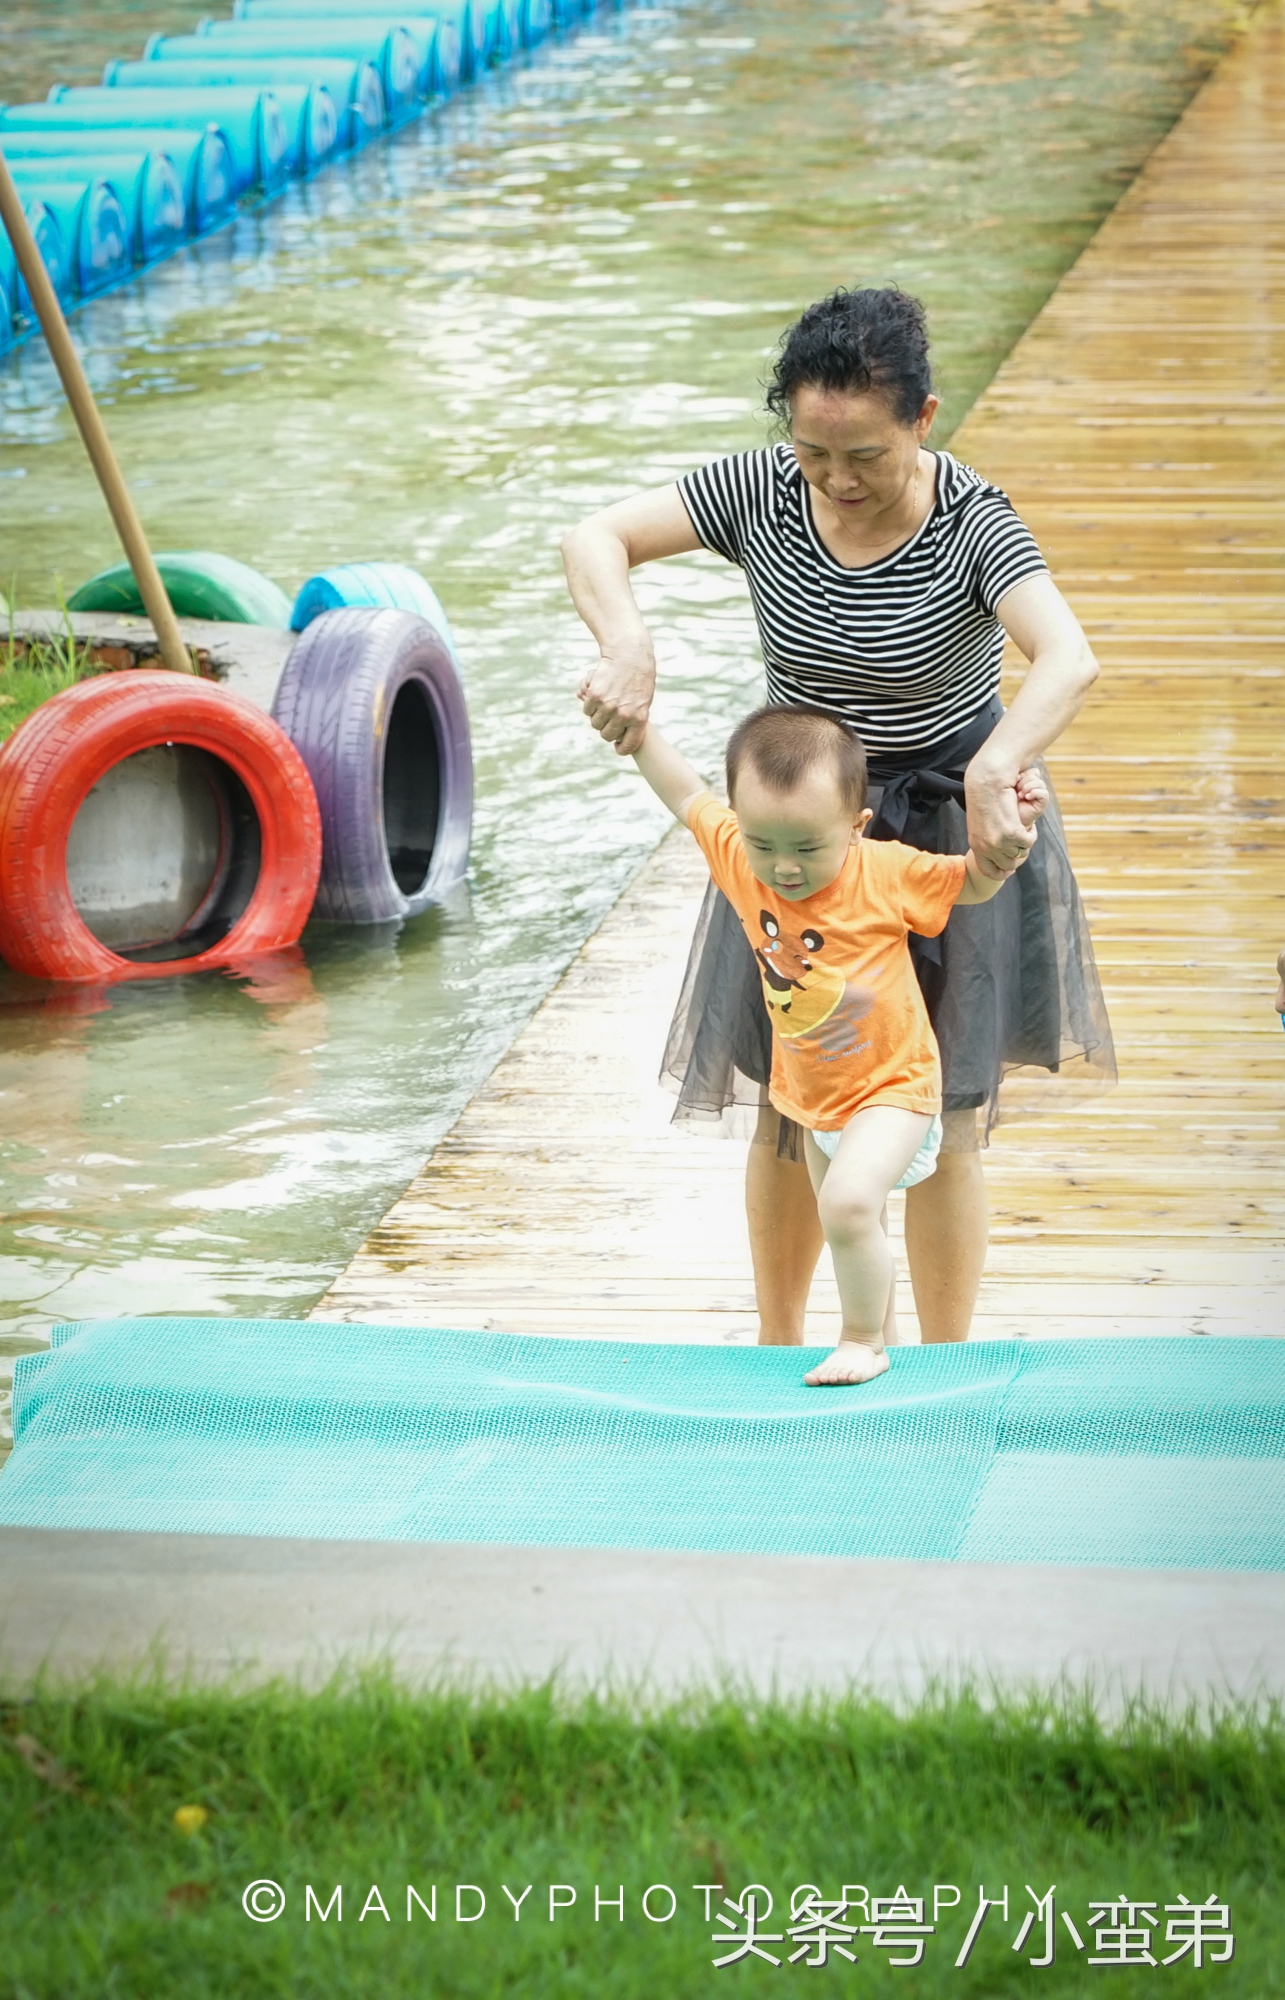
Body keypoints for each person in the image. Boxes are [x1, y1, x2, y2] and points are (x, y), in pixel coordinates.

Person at [563, 284, 1114, 1349]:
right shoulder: (763, 492)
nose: (837, 480)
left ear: (922, 418)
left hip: (946, 829)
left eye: (863, 452)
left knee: (942, 1116)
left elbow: (1068, 655)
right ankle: (781, 1344)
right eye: (815, 452)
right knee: (789, 1102)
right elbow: (595, 536)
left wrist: (1002, 764)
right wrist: (625, 642)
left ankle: (942, 1357)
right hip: (800, 838)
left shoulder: (971, 521)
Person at [621, 702, 1047, 1384]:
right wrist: (637, 733)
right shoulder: (740, 857)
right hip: (811, 1096)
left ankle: (858, 1342)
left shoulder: (881, 870)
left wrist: (1009, 841)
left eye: (807, 848)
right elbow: (685, 794)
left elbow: (969, 881)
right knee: (859, 1224)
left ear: (855, 829)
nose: (783, 869)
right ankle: (886, 1344)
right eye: (764, 844)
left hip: (893, 1087)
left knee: (846, 1206)